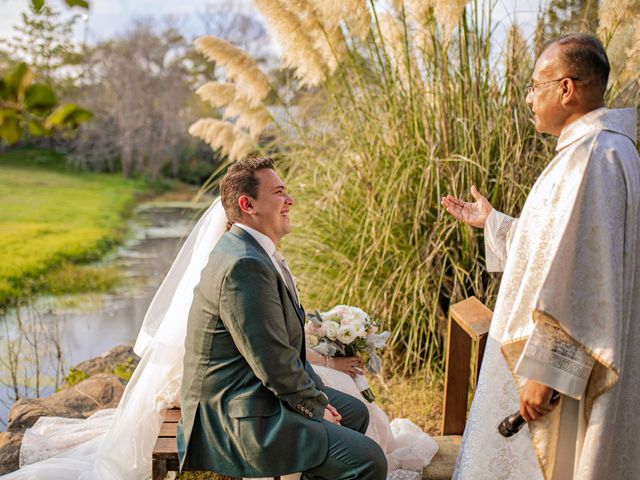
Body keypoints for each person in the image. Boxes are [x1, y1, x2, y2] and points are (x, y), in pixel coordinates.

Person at [442, 33, 640, 479]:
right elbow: (557, 251)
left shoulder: (593, 157)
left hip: (554, 377)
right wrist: (494, 223)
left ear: (566, 89)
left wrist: (547, 373)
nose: (530, 97)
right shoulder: (602, 150)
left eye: (536, 85)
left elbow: (585, 280)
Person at [177, 156, 386, 479]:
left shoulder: (254, 252)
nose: (290, 200)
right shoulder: (243, 266)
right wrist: (316, 408)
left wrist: (318, 397)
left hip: (255, 391)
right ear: (248, 204)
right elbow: (272, 360)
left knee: (355, 412)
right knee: (368, 460)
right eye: (278, 193)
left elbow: (289, 351)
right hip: (235, 418)